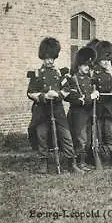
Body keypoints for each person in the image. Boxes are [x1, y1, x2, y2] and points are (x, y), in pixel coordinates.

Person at [26, 37, 83, 174]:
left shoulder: (60, 73)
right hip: (41, 110)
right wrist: (44, 96)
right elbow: (30, 92)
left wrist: (59, 95)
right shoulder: (37, 74)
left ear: (55, 57)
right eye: (46, 58)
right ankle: (43, 163)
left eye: (51, 58)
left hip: (57, 110)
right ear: (42, 58)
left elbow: (68, 88)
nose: (49, 61)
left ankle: (71, 163)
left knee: (66, 135)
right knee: (42, 135)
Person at [65, 46, 98, 171]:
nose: (87, 68)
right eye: (84, 65)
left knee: (89, 138)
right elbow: (74, 98)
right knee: (81, 138)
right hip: (78, 114)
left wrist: (96, 96)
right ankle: (80, 163)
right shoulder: (73, 80)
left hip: (89, 113)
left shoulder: (90, 80)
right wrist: (90, 97)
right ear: (78, 65)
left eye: (88, 65)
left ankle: (85, 161)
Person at [92, 40, 112, 166]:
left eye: (108, 59)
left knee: (110, 132)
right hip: (98, 106)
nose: (106, 62)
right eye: (103, 60)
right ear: (98, 59)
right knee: (97, 132)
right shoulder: (94, 72)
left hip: (110, 107)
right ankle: (97, 156)